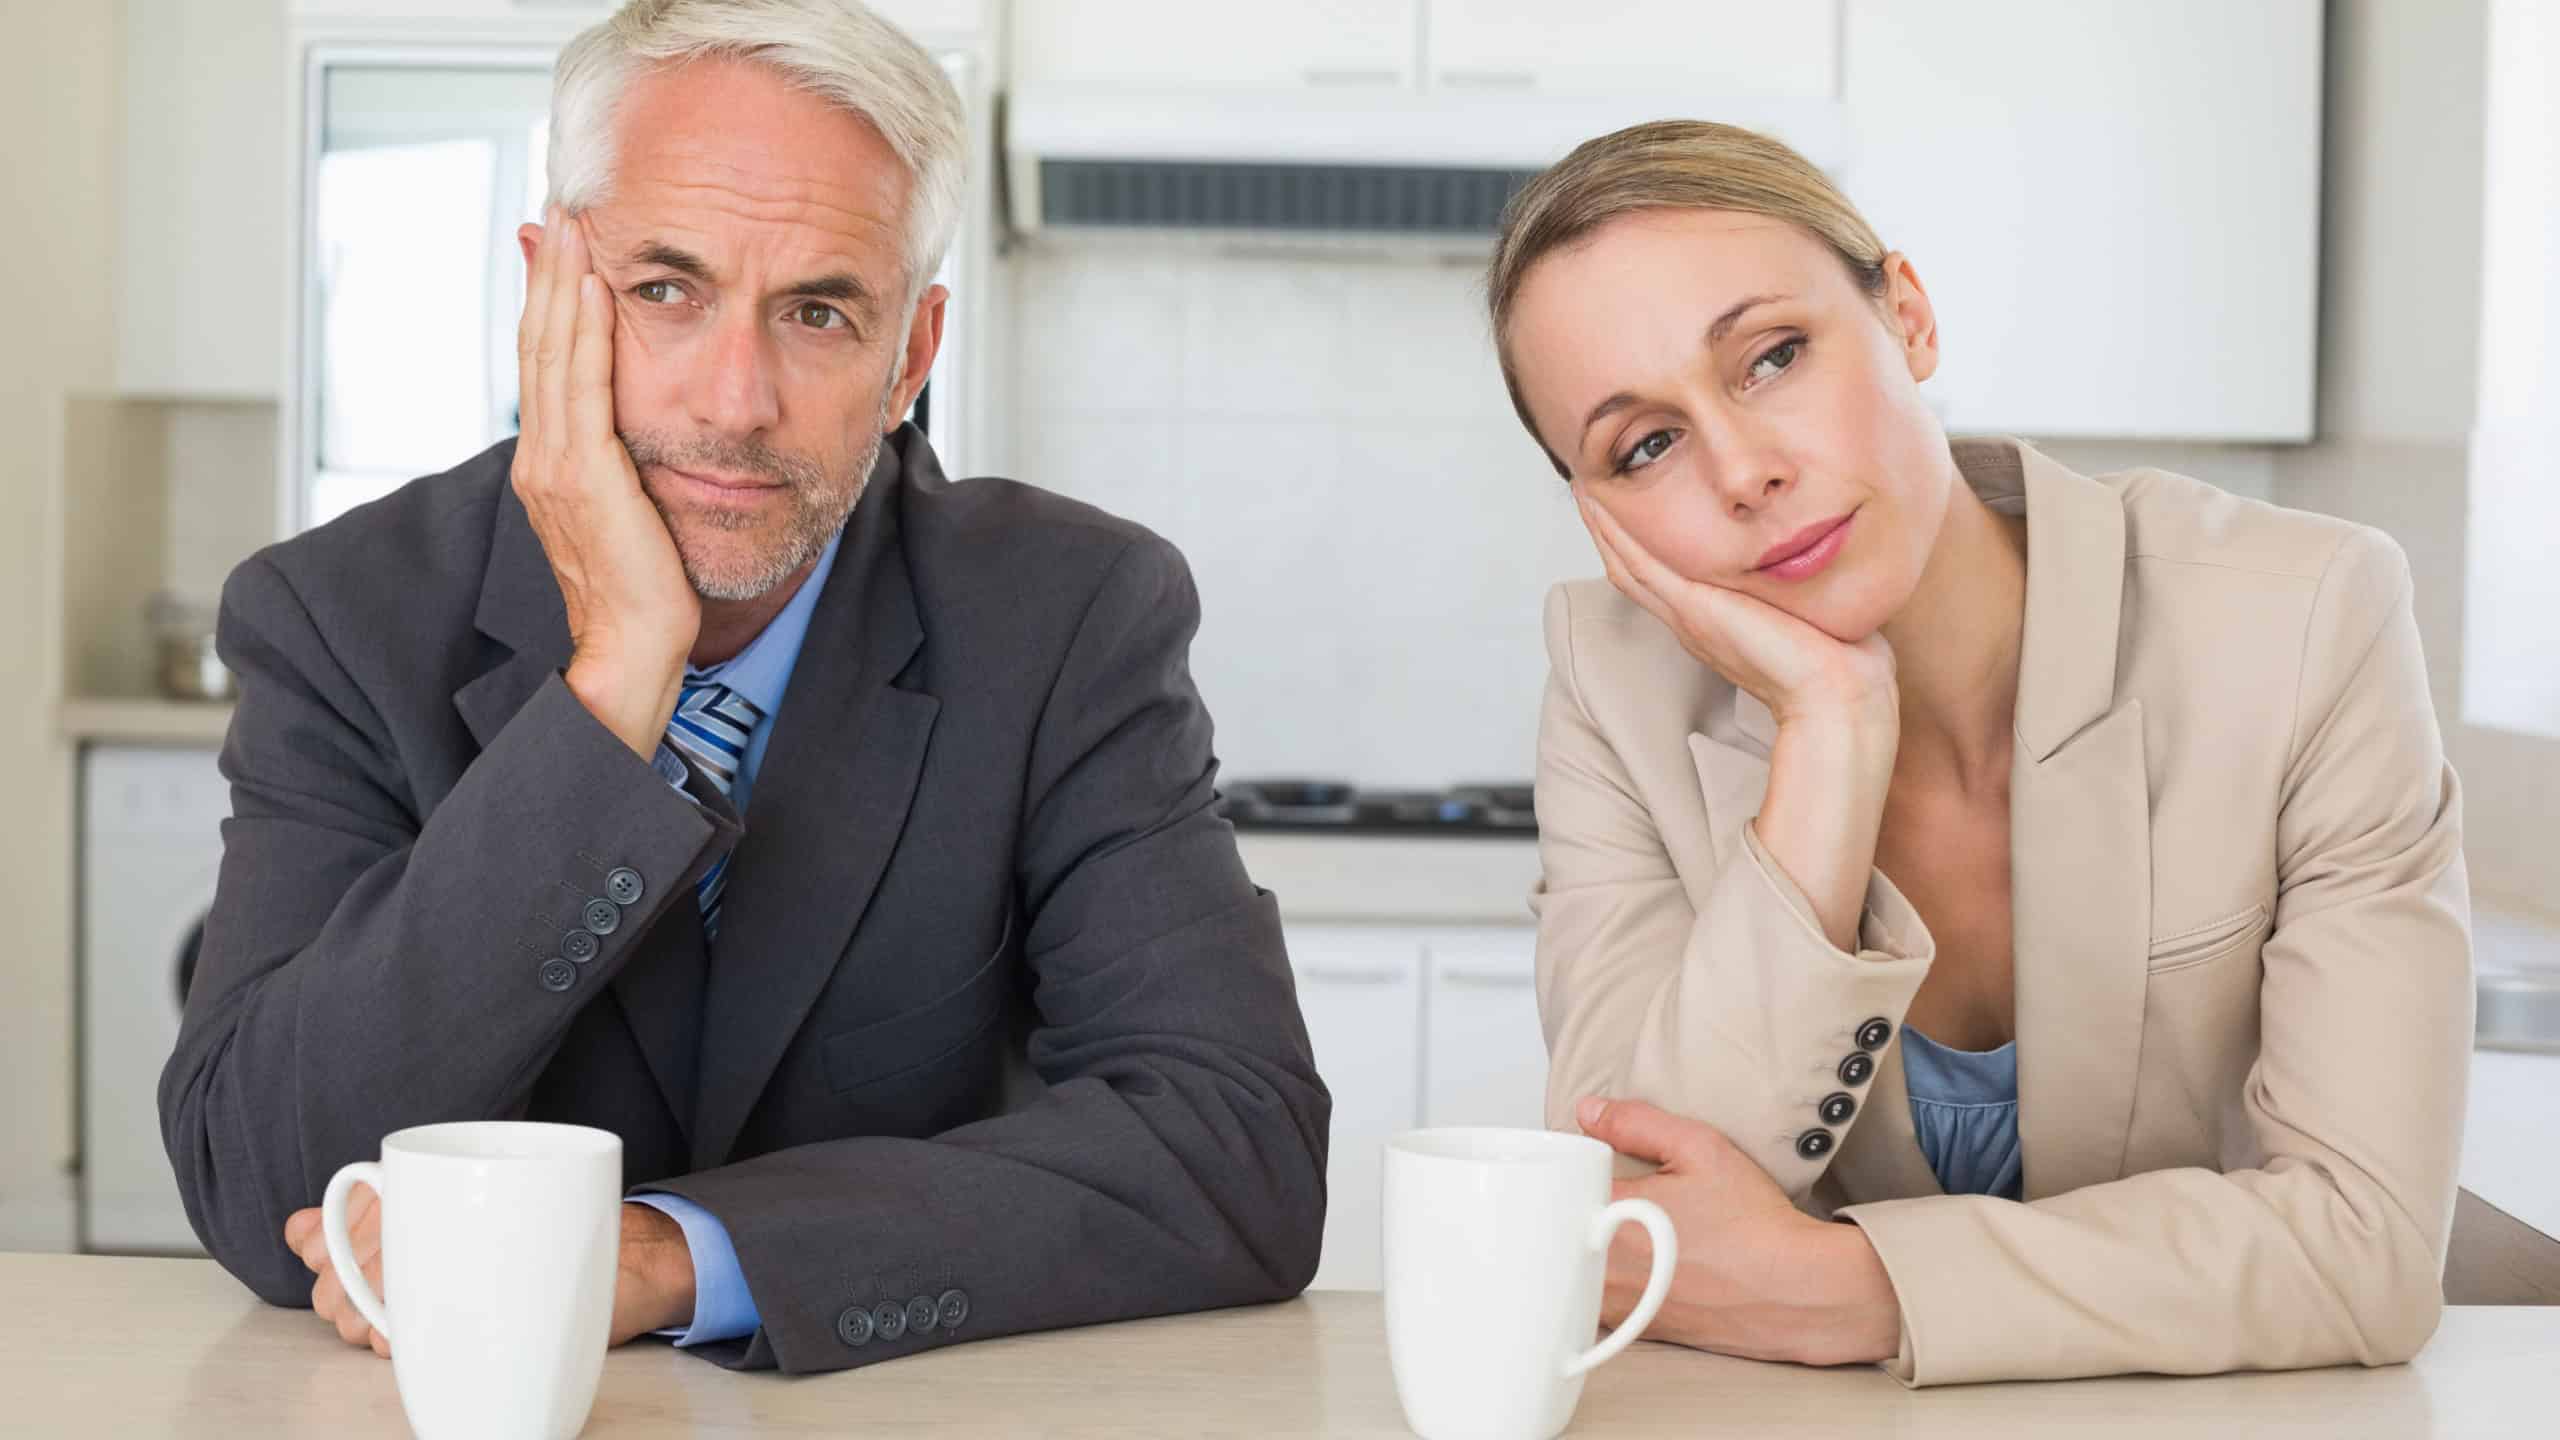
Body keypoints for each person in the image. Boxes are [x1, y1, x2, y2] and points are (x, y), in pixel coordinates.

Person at [159, 0, 1327, 1374]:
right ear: (547, 292)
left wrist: (669, 1253)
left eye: (819, 312)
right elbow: (267, 1178)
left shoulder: (1066, 616)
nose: (733, 400)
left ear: (912, 359)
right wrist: (615, 683)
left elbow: (1233, 1146)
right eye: (666, 289)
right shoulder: (344, 616)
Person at [1487, 120, 2470, 1386]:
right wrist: (1830, 734)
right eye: (1645, 446)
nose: (1742, 472)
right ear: (1599, 512)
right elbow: (1638, 1221)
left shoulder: (2300, 616)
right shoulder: (1615, 685)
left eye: (1771, 357)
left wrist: (1860, 1291)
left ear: (1907, 317)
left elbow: (2363, 1246)